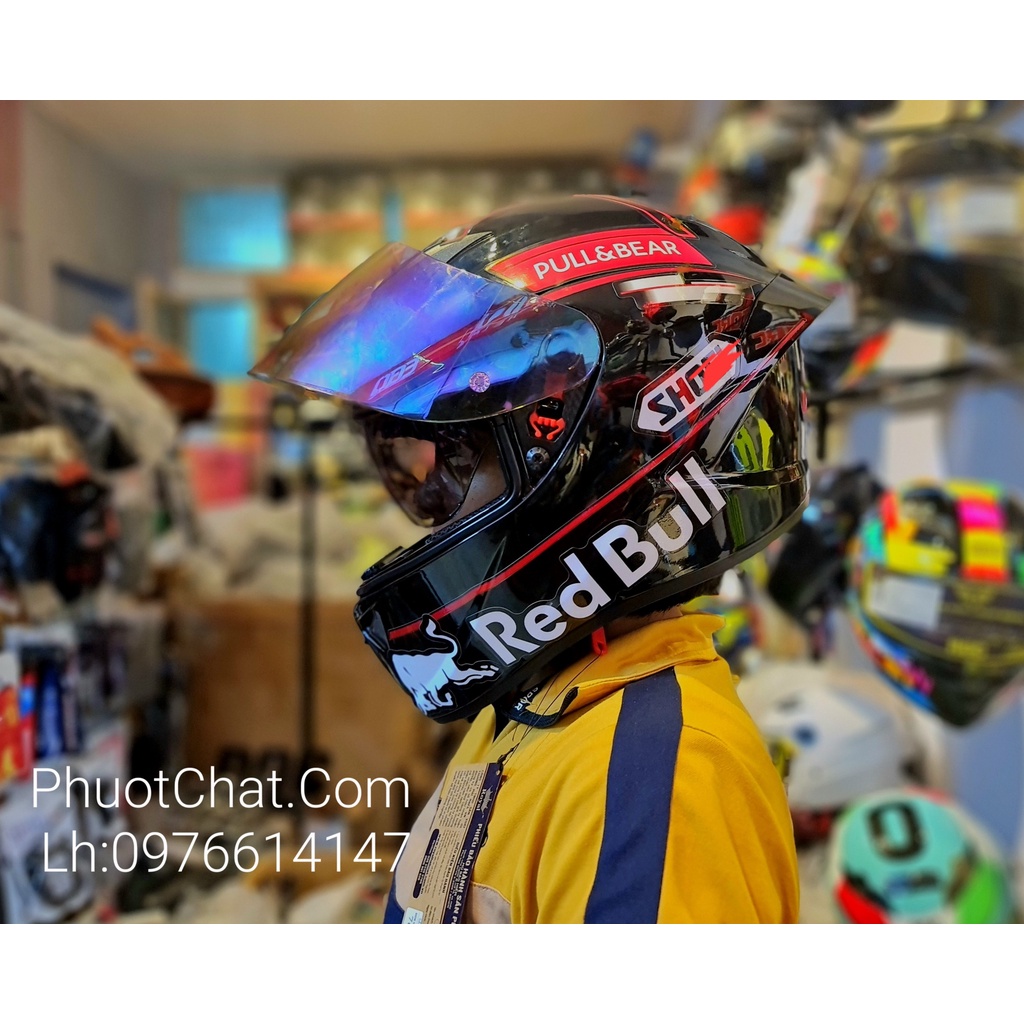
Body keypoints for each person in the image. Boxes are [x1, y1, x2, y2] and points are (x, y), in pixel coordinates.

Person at [251, 194, 828, 923]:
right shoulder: (544, 701)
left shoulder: (663, 776)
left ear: (606, 452)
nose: (436, 503)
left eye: (461, 458)